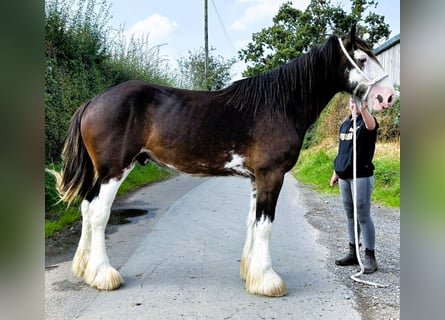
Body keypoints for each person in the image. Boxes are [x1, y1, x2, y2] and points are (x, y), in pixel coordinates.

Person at [329, 96, 379, 273]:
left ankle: (370, 257)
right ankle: (353, 252)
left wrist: (363, 108)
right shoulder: (345, 124)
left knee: (363, 215)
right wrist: (336, 172)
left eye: (357, 102)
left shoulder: (367, 122)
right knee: (350, 215)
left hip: (361, 176)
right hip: (344, 176)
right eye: (352, 101)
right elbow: (342, 150)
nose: (354, 105)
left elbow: (371, 126)